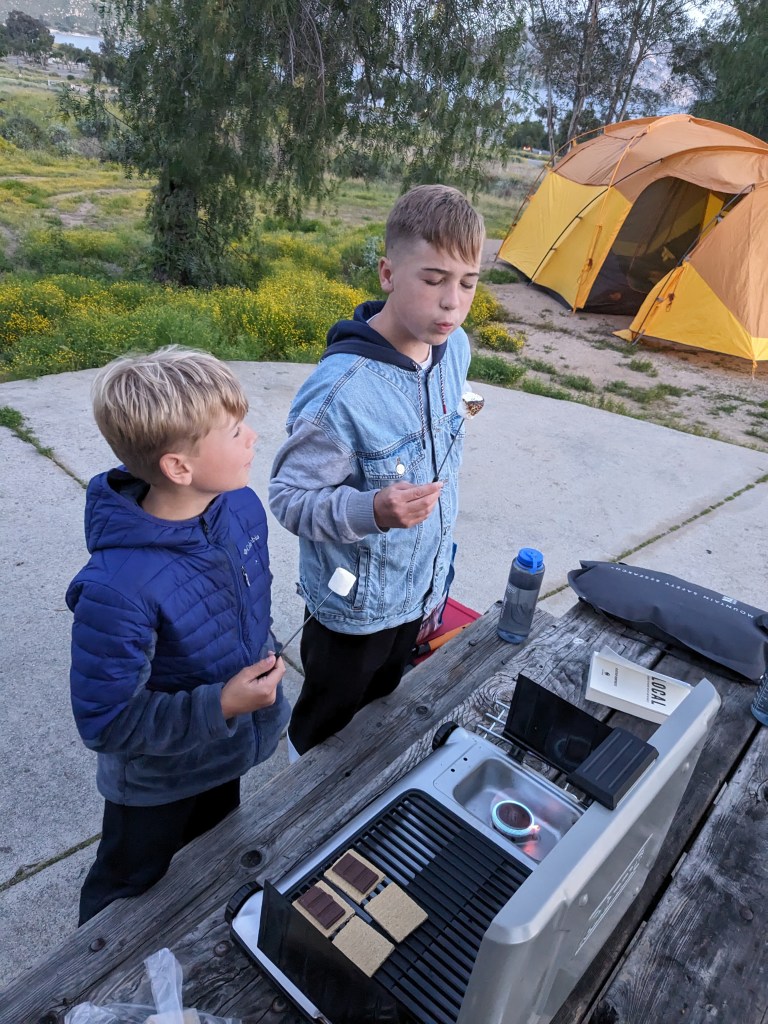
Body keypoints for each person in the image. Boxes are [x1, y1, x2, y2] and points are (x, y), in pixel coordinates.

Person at [67, 347, 290, 924]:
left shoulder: (238, 506)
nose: (253, 437)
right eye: (236, 430)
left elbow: (247, 604)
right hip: (158, 781)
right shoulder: (118, 587)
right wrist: (221, 703)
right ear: (178, 468)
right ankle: (78, 1001)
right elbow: (106, 720)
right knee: (128, 888)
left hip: (226, 748)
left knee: (212, 859)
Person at [269, 183, 484, 755]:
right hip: (354, 612)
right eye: (433, 279)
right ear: (388, 274)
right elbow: (288, 497)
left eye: (468, 283)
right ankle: (298, 805)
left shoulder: (454, 347)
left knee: (381, 714)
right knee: (324, 728)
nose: (452, 303)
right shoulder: (339, 393)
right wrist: (372, 510)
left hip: (424, 586)